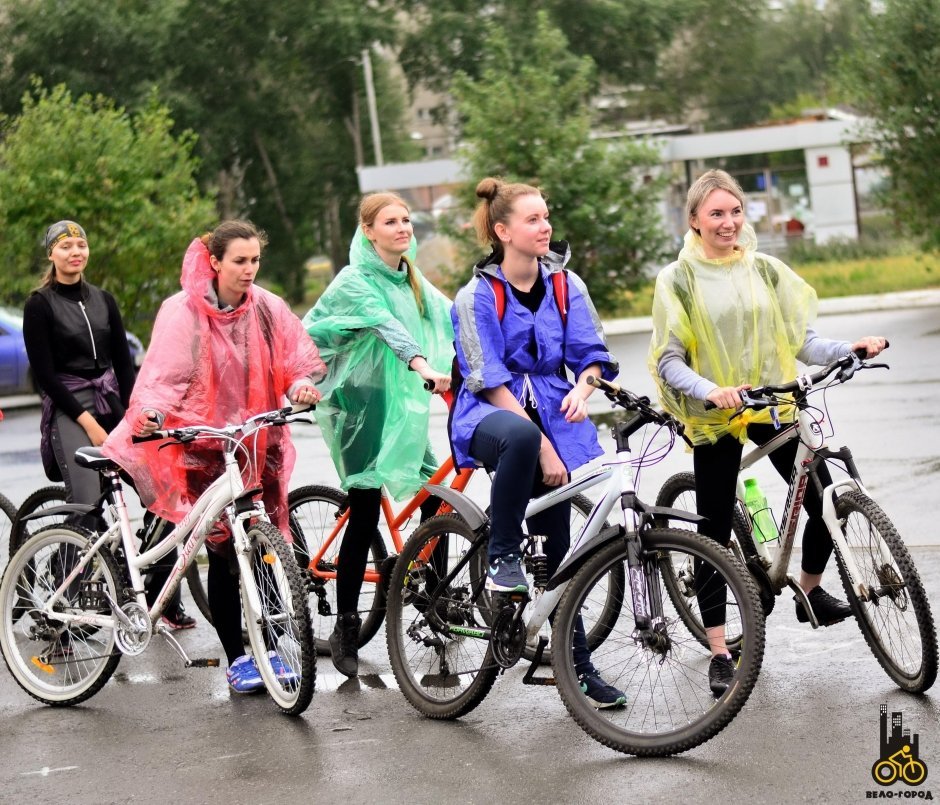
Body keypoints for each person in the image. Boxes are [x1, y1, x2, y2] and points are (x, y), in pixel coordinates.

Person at [648, 169, 887, 697]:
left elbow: (802, 339)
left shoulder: (766, 270)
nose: (728, 222)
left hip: (771, 401)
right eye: (716, 213)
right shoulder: (678, 280)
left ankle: (809, 589)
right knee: (712, 528)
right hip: (717, 413)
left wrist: (850, 350)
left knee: (825, 492)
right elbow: (668, 360)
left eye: (735, 211)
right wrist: (711, 390)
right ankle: (716, 648)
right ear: (694, 221)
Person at [103, 220, 326, 694]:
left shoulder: (267, 307)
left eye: (255, 261)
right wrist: (152, 413)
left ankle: (271, 646)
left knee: (264, 547)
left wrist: (300, 385)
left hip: (253, 439)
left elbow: (293, 358)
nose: (249, 270)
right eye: (240, 261)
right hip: (200, 443)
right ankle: (238, 657)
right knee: (224, 551)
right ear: (216, 262)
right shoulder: (183, 312)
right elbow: (164, 375)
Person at [449, 177, 626, 709]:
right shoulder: (476, 295)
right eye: (532, 219)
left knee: (558, 551)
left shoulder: (568, 285)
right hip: (490, 412)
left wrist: (583, 385)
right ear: (502, 231)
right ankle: (502, 555)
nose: (545, 226)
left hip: (556, 409)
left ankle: (577, 665)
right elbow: (486, 377)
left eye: (546, 216)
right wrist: (545, 444)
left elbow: (591, 353)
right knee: (525, 439)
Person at [303, 192, 454, 678]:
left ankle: (434, 597)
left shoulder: (411, 276)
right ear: (368, 231)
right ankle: (346, 625)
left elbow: (449, 313)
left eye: (407, 220)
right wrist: (421, 363)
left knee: (437, 496)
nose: (402, 228)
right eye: (391, 221)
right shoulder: (355, 280)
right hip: (358, 402)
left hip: (397, 404)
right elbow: (385, 326)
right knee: (365, 506)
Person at [22, 221, 194, 629]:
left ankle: (163, 598)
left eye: (80, 244)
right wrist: (88, 422)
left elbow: (124, 365)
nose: (75, 251)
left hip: (112, 402)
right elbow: (44, 376)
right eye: (65, 246)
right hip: (70, 407)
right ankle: (58, 611)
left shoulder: (104, 300)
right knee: (85, 501)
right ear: (51, 255)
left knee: (164, 492)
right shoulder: (39, 304)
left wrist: (142, 412)